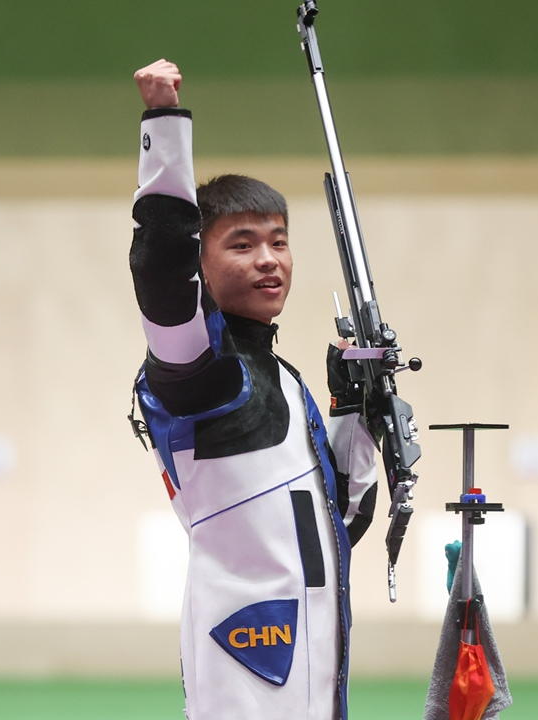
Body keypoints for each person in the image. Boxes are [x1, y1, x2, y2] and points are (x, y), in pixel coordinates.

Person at [127, 58, 380, 720]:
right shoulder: (201, 372)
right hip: (246, 659)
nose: (269, 259)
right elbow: (161, 272)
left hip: (316, 663)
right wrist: (164, 124)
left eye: (279, 242)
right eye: (242, 244)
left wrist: (355, 410)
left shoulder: (285, 382)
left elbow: (341, 523)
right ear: (203, 266)